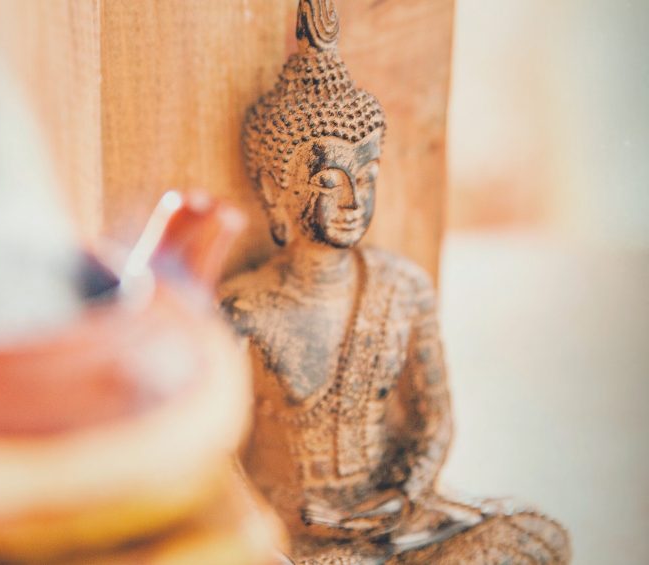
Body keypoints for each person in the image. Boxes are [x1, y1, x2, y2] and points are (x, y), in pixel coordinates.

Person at [219, 1, 570, 562]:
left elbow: (434, 422)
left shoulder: (402, 287)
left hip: (393, 524)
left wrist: (402, 494)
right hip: (295, 541)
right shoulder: (243, 310)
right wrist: (270, 526)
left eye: (366, 176)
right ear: (272, 187)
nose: (353, 200)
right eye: (330, 180)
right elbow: (214, 459)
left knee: (537, 535)